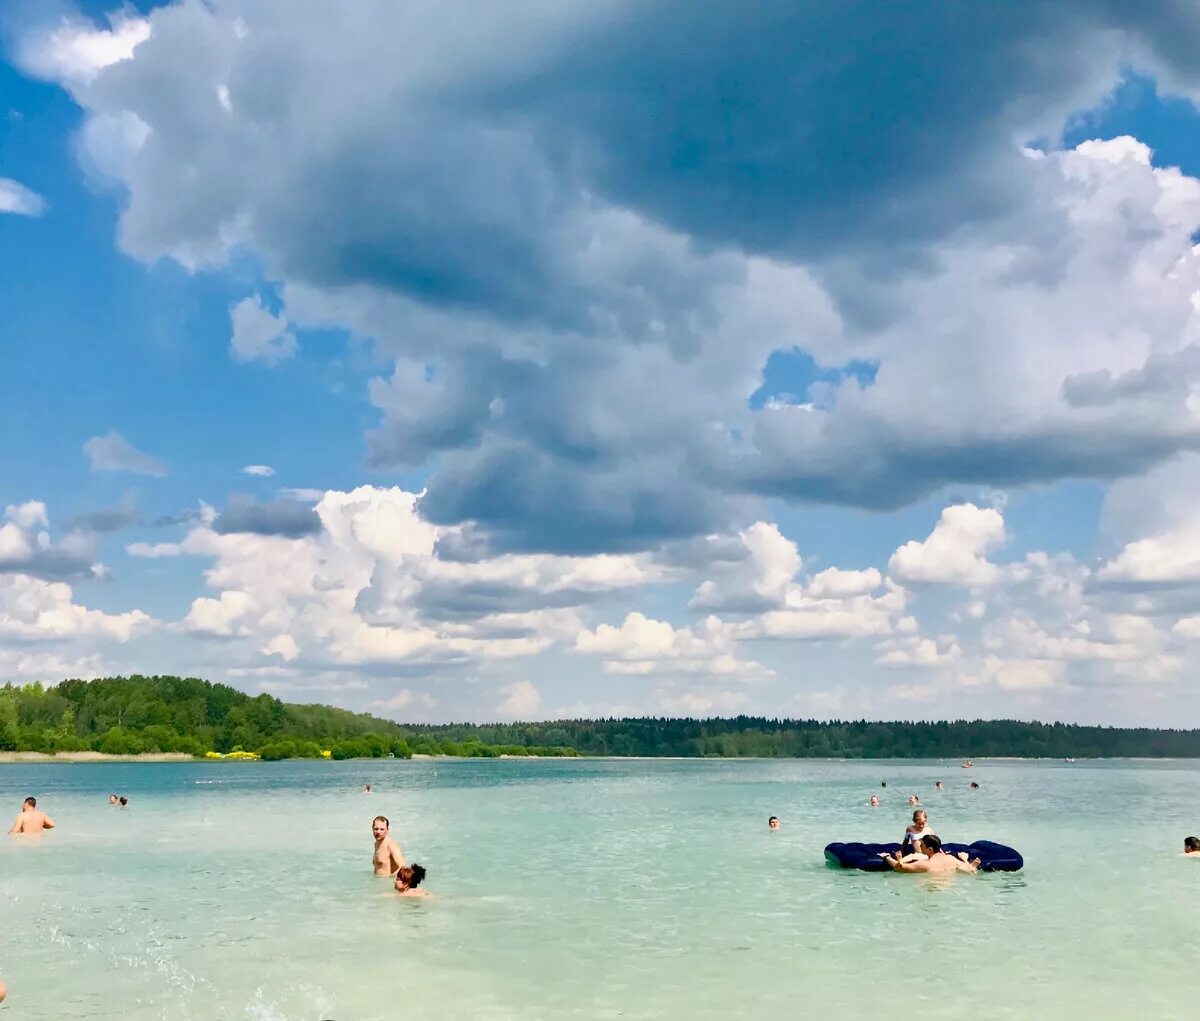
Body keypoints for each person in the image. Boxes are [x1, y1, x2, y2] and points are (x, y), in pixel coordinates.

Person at [884, 834, 980, 874]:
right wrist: (964, 859)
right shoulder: (950, 858)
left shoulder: (925, 864)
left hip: (931, 887)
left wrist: (888, 857)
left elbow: (899, 868)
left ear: (929, 849)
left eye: (921, 845)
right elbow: (972, 871)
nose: (920, 847)